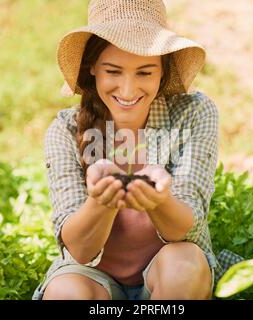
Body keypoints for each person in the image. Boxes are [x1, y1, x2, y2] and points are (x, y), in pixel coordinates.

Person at [33, 0, 241, 300]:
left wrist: (160, 201)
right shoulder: (66, 130)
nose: (128, 90)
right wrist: (102, 201)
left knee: (184, 267)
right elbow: (79, 249)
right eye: (113, 71)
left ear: (162, 70)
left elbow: (187, 229)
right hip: (93, 277)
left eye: (144, 73)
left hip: (166, 271)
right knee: (66, 292)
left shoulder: (193, 113)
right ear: (93, 68)